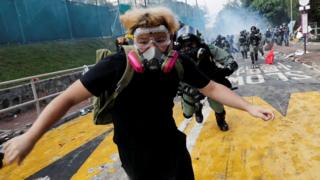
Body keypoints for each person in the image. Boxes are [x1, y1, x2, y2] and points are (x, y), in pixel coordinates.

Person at [3, 7, 274, 179]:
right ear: (133, 41)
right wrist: (31, 136)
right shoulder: (116, 65)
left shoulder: (179, 63)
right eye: (143, 40)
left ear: (171, 40)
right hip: (135, 152)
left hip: (171, 143)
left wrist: (249, 107)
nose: (152, 47)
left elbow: (212, 87)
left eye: (160, 38)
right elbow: (67, 98)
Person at [175, 25, 238, 131]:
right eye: (184, 46)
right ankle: (197, 108)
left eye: (191, 44)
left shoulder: (207, 48)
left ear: (198, 42)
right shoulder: (175, 57)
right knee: (187, 114)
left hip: (210, 84)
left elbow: (224, 56)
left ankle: (221, 121)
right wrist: (184, 89)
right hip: (189, 88)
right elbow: (171, 78)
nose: (188, 48)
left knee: (218, 107)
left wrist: (230, 64)